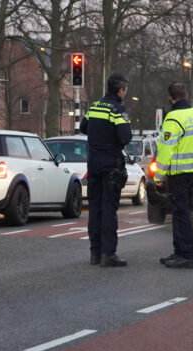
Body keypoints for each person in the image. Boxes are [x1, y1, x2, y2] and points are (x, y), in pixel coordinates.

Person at [80, 73, 132, 267]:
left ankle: (95, 253)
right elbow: (125, 137)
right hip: (110, 164)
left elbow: (83, 126)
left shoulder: (94, 106)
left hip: (92, 163)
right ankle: (108, 254)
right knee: (109, 209)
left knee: (95, 209)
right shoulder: (117, 109)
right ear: (120, 90)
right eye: (125, 90)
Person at [155, 82, 193, 269]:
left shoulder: (173, 118)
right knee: (180, 212)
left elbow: (166, 150)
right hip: (191, 171)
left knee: (181, 213)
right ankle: (179, 252)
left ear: (171, 98)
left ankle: (186, 254)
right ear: (187, 95)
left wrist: (159, 176)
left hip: (177, 173)